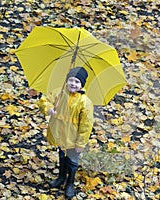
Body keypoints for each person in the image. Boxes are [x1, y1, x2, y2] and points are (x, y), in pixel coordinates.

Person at [37, 67, 94, 199]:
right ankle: (61, 177)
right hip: (60, 134)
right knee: (62, 157)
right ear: (67, 80)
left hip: (73, 139)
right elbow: (44, 100)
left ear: (82, 85)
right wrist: (49, 109)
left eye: (77, 82)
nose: (73, 84)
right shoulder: (59, 93)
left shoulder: (84, 102)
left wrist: (80, 143)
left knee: (72, 161)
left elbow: (86, 125)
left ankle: (70, 183)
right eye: (71, 80)